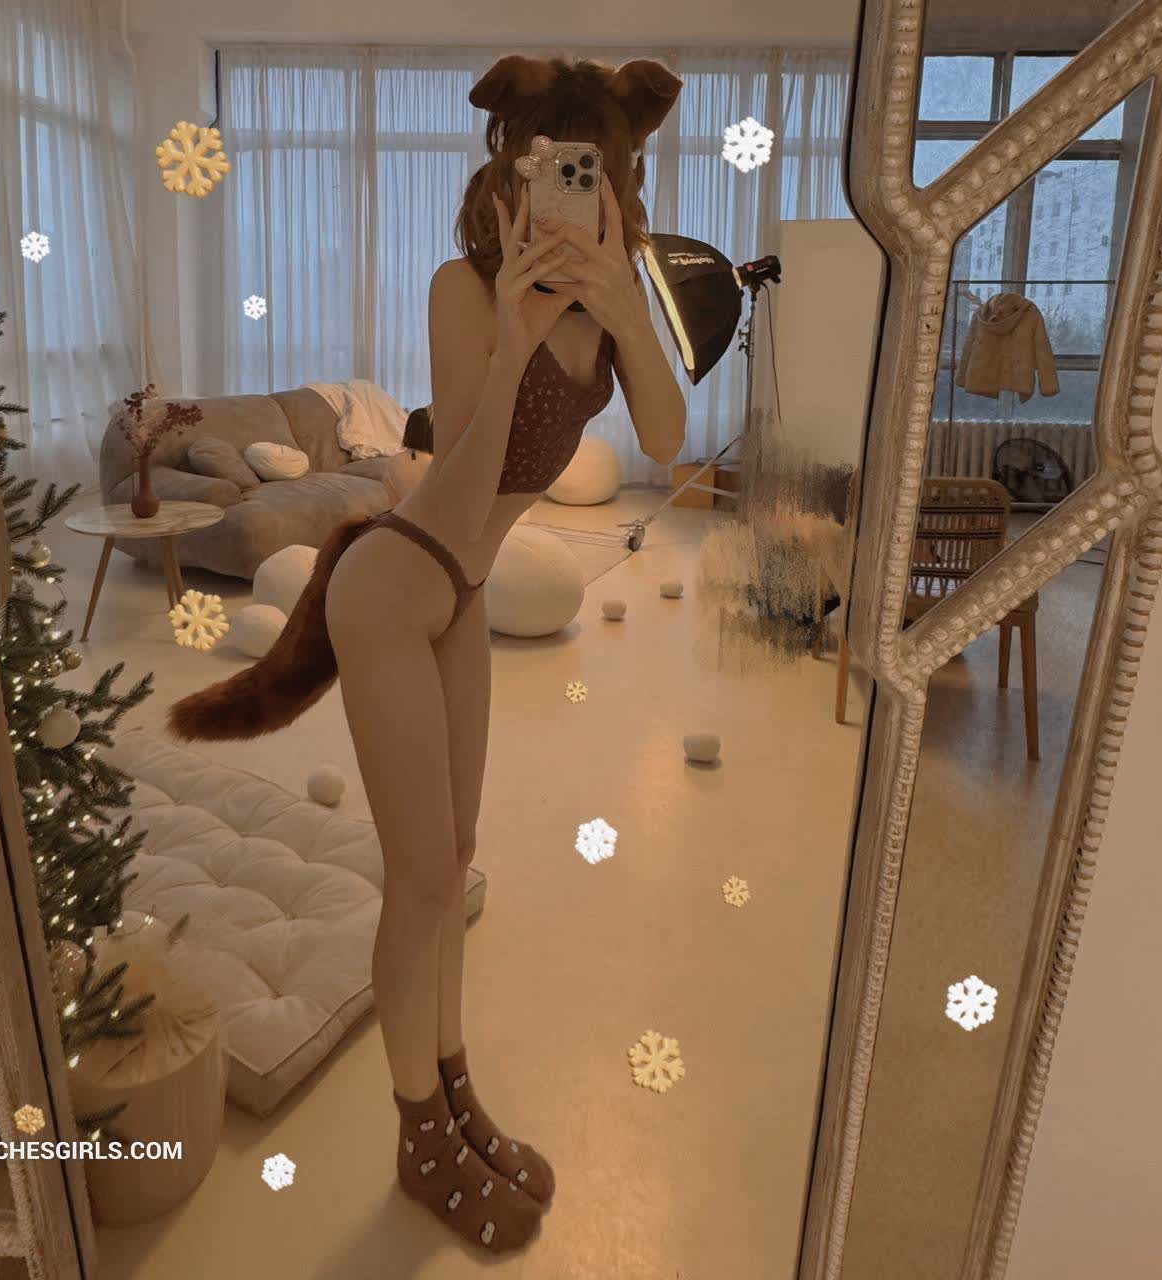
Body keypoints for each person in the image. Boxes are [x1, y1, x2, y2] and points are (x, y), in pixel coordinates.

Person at [168, 53, 686, 1252]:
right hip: (397, 587)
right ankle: (420, 1138)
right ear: (509, 176)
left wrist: (620, 304)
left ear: (617, 183)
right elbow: (455, 483)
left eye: (592, 172)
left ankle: (454, 1097)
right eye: (547, 169)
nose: (566, 193)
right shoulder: (464, 289)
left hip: (461, 589)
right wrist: (509, 338)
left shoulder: (610, 308)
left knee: (452, 864)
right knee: (418, 878)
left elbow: (667, 436)